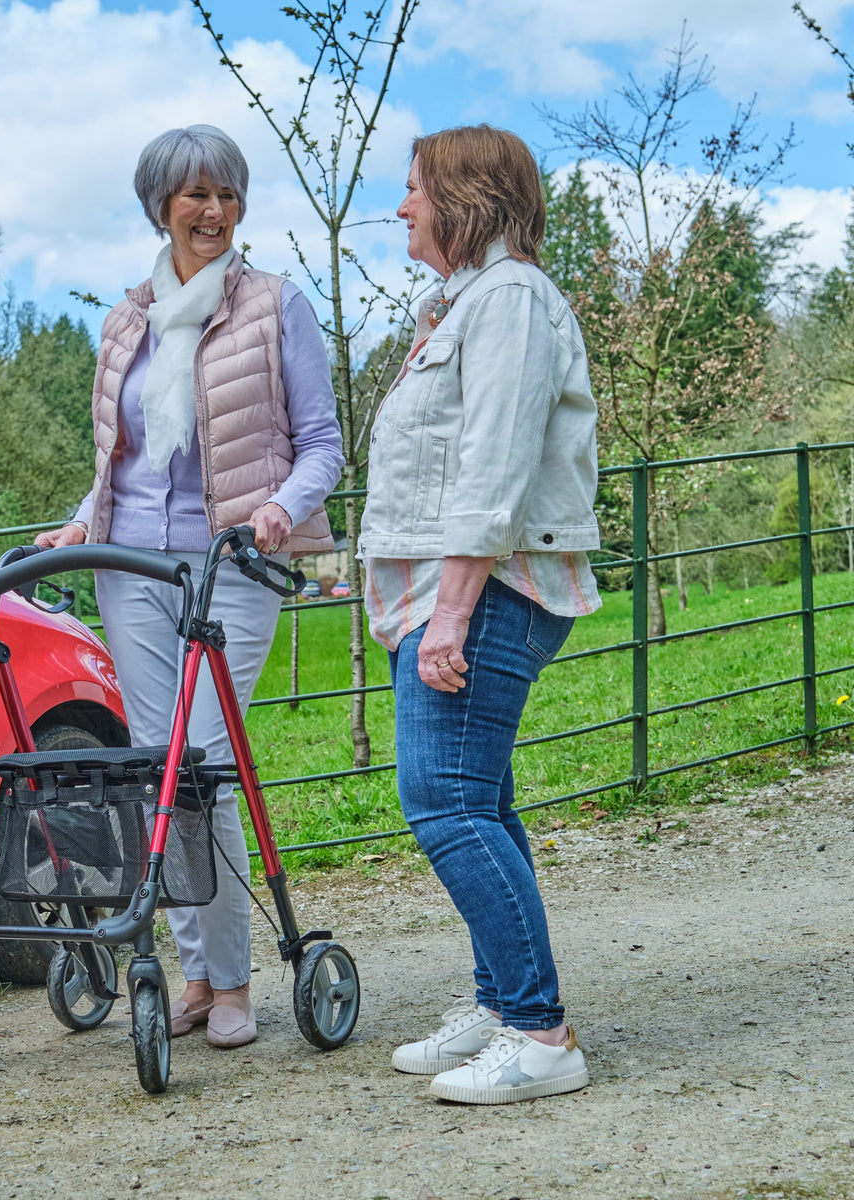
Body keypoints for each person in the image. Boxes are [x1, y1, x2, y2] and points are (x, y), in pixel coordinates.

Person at [37, 125, 343, 1049]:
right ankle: (196, 976)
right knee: (154, 772)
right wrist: (80, 522)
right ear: (159, 205)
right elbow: (116, 459)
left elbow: (323, 444)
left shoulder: (276, 307)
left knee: (202, 766)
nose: (213, 212)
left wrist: (281, 510)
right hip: (129, 570)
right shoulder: (126, 318)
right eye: (195, 196)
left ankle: (238, 975)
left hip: (233, 566)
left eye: (228, 195)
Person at [359, 125, 602, 1103]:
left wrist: (451, 611)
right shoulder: (469, 305)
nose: (404, 206)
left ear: (461, 196)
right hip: (450, 588)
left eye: (414, 189)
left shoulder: (508, 303)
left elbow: (495, 465)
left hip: (483, 589)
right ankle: (505, 1006)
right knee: (480, 802)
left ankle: (542, 1035)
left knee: (447, 804)